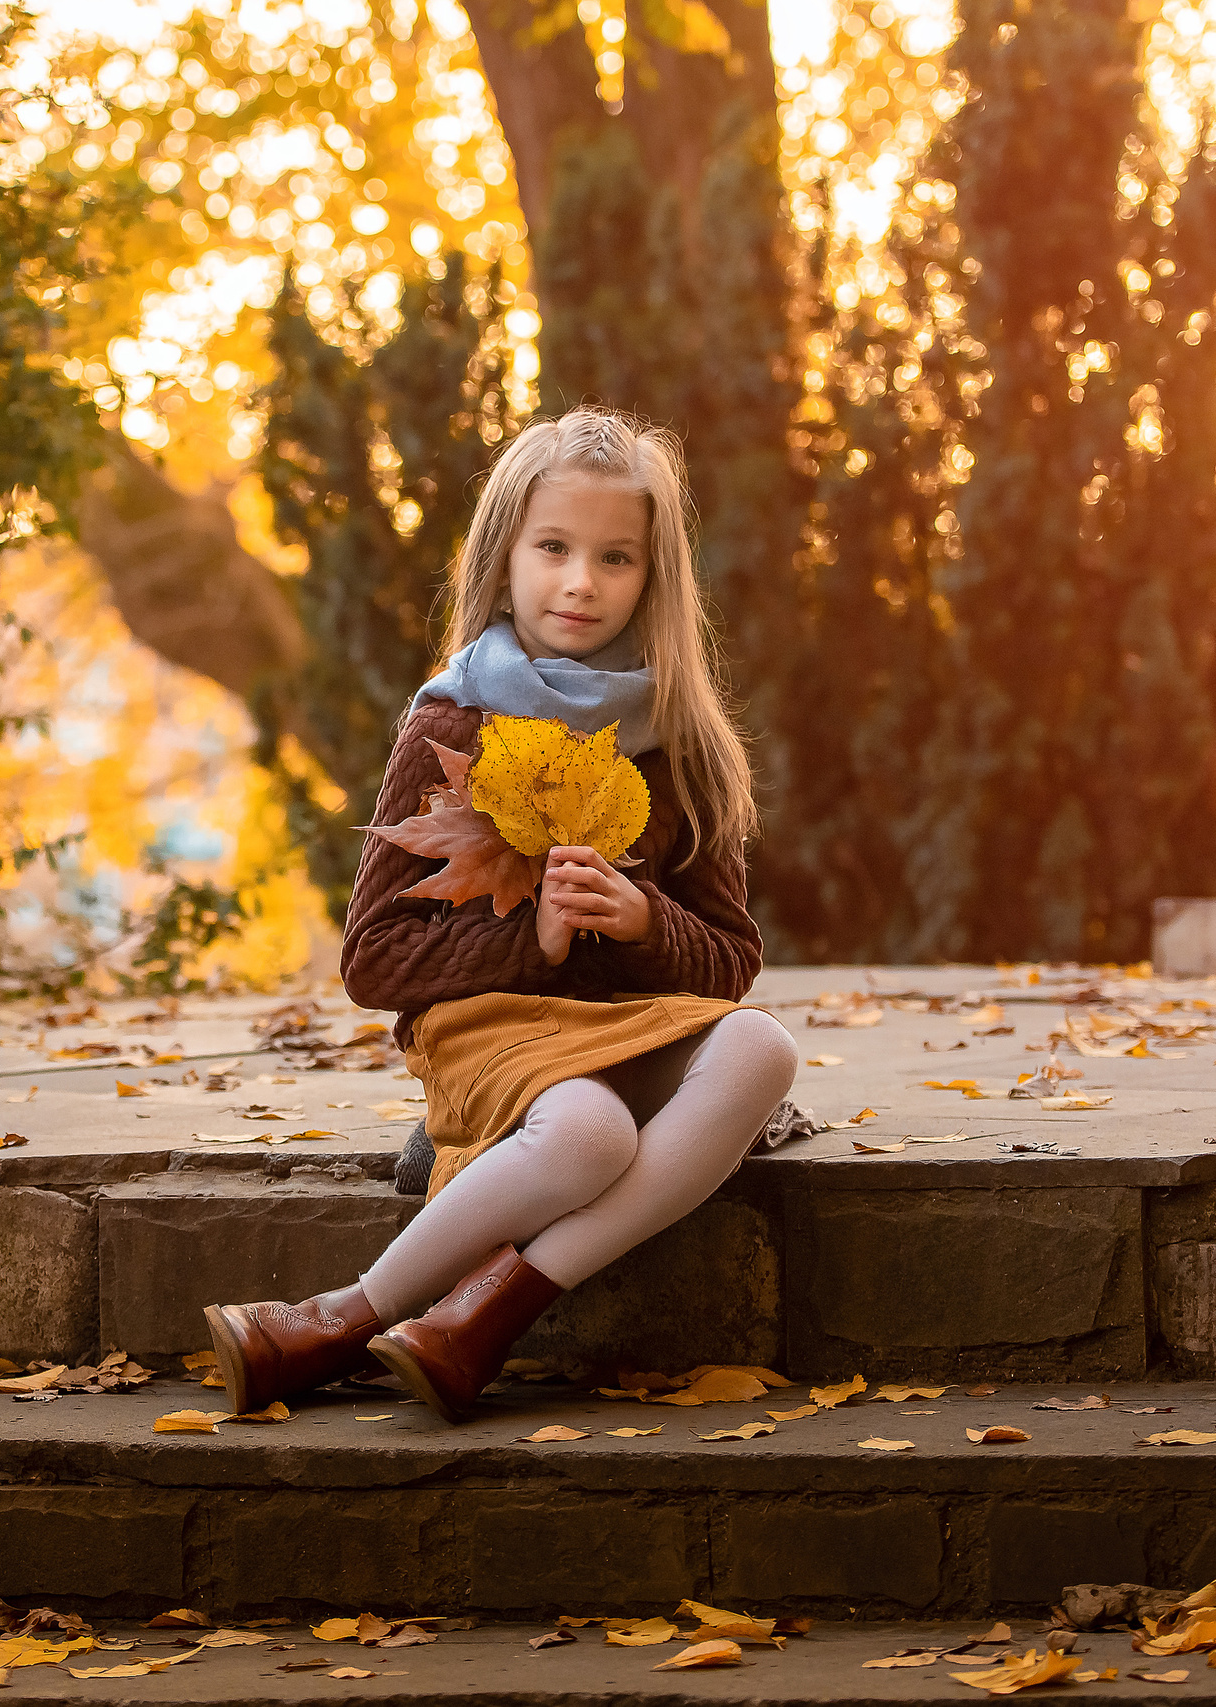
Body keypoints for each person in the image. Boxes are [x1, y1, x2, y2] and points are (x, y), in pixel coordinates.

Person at [203, 407, 798, 1424]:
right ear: (505, 555)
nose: (581, 581)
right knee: (587, 1138)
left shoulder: (679, 739)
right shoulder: (450, 722)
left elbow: (729, 960)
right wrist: (534, 938)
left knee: (760, 1051)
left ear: (653, 577)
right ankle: (342, 1318)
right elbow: (376, 960)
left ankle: (476, 1319)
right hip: (488, 1029)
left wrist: (645, 922)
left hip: (628, 1024)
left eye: (616, 558)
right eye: (554, 548)